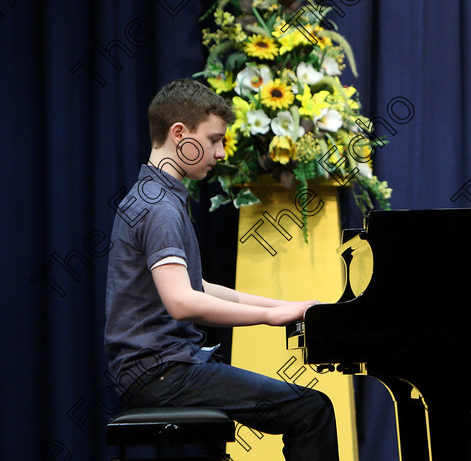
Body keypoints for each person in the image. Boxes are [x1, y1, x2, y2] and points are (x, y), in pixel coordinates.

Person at [104, 78, 339, 461]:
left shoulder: (158, 195)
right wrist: (268, 317)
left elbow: (197, 285)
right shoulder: (159, 206)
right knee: (310, 409)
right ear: (180, 133)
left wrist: (282, 305)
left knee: (307, 406)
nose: (221, 152)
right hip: (160, 373)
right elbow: (181, 302)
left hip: (159, 368)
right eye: (215, 139)